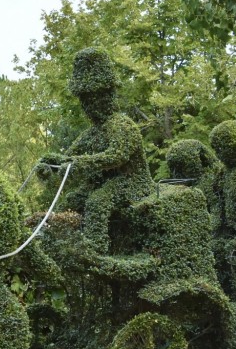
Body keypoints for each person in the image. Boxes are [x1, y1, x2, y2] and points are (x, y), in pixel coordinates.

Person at [41, 48, 153, 254]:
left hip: (131, 184)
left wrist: (80, 163)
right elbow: (70, 156)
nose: (89, 105)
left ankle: (95, 251)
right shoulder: (92, 132)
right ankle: (57, 244)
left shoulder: (121, 125)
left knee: (97, 202)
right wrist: (51, 163)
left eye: (93, 98)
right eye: (85, 100)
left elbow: (117, 156)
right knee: (71, 201)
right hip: (104, 184)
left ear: (108, 94)